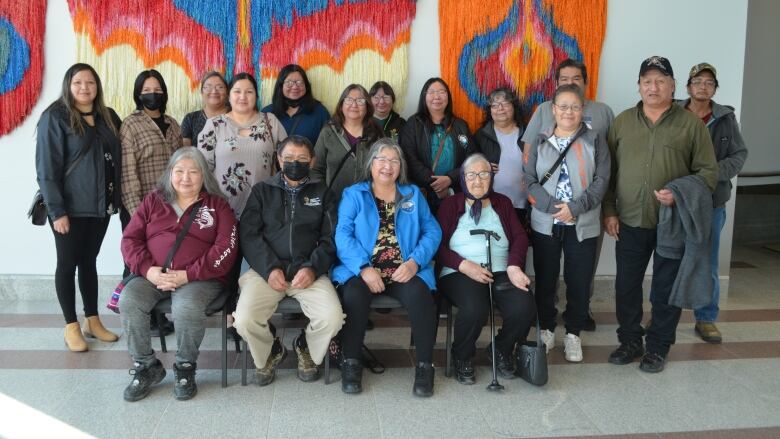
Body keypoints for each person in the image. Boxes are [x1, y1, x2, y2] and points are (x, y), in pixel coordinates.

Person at [604, 56, 717, 373]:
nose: (653, 87)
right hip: (629, 220)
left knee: (665, 289)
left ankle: (657, 347)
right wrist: (609, 211)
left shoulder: (690, 125)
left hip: (672, 223)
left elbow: (708, 173)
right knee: (626, 286)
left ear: (673, 86)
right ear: (639, 86)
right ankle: (629, 341)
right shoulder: (623, 122)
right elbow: (609, 172)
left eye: (660, 81)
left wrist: (679, 194)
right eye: (647, 81)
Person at [119, 147, 238, 402]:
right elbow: (130, 239)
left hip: (200, 278)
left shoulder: (218, 206)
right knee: (129, 300)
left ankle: (185, 367)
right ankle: (146, 366)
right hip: (153, 275)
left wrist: (189, 274)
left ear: (204, 175)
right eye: (179, 171)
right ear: (170, 173)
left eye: (193, 172)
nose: (186, 178)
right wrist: (147, 270)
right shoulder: (154, 200)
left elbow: (226, 248)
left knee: (185, 307)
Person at [333, 139, 442, 396]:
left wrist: (415, 261)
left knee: (421, 297)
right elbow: (342, 235)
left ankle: (425, 366)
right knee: (353, 295)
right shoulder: (354, 194)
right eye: (382, 159)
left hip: (403, 269)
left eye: (394, 160)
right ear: (371, 164)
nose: (387, 166)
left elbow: (432, 230)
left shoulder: (412, 194)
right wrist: (363, 268)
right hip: (362, 270)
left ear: (401, 166)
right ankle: (351, 362)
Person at [233, 135, 344, 385]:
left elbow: (331, 237)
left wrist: (313, 268)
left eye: (302, 159)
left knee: (332, 317)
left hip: (308, 272)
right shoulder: (262, 191)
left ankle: (305, 345)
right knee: (244, 319)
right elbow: (249, 235)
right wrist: (269, 268)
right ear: (279, 160)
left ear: (312, 161)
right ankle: (271, 350)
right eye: (290, 158)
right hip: (266, 272)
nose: (296, 163)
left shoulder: (323, 193)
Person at [522, 59, 615, 331]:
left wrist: (579, 207)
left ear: (585, 86)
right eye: (565, 78)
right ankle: (546, 323)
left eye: (577, 78)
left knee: (581, 273)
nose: (571, 83)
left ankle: (578, 318)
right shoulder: (542, 115)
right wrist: (548, 204)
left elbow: (605, 170)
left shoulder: (603, 114)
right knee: (546, 274)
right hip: (547, 216)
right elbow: (529, 166)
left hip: (584, 213)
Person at [35, 63, 123, 352]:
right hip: (68, 209)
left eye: (90, 83)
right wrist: (56, 211)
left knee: (89, 262)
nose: (85, 88)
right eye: (78, 83)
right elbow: (47, 169)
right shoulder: (55, 117)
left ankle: (92, 320)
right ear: (68, 86)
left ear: (97, 86)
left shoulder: (107, 117)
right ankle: (71, 325)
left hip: (100, 207)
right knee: (67, 263)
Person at [437, 153, 534, 384]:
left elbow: (520, 237)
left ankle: (500, 349)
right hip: (459, 270)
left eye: (483, 174)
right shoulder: (450, 204)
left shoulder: (503, 203)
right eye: (471, 175)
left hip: (502, 269)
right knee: (474, 308)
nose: (477, 180)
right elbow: (437, 246)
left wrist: (513, 266)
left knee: (525, 306)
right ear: (463, 178)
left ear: (491, 178)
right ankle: (462, 355)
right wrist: (464, 265)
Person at [678, 63, 748, 343]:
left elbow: (739, 154)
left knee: (707, 261)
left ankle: (706, 318)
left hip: (710, 202)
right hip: (676, 200)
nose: (703, 86)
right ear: (688, 87)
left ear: (715, 88)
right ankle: (664, 314)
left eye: (709, 82)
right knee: (668, 259)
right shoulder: (674, 114)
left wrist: (710, 175)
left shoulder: (725, 118)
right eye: (697, 81)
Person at [196, 72, 286, 219]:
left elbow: (287, 158)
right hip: (222, 209)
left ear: (256, 96)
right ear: (229, 95)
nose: (243, 97)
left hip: (264, 207)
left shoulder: (271, 122)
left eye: (249, 92)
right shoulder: (214, 125)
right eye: (237, 91)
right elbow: (202, 168)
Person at [400, 77, 476, 213]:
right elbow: (409, 158)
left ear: (448, 96)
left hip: (454, 192)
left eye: (442, 92)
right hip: (423, 194)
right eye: (431, 92)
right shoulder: (413, 124)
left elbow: (472, 158)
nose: (437, 96)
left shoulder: (460, 125)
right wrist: (436, 184)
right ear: (424, 96)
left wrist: (450, 179)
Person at [311, 84, 381, 198]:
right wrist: (324, 195)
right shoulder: (328, 132)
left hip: (367, 203)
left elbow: (383, 169)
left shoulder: (376, 134)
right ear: (341, 105)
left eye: (360, 101)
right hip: (334, 203)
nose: (354, 105)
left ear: (367, 106)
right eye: (349, 100)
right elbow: (315, 169)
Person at [474, 87, 528, 228]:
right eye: (495, 105)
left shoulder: (527, 132)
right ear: (490, 110)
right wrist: (483, 167)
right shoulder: (481, 136)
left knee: (518, 244)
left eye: (505, 103)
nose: (500, 108)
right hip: (490, 203)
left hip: (523, 203)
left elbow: (540, 163)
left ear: (514, 107)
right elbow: (469, 166)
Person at [262, 64, 330, 146]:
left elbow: (328, 145)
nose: (294, 87)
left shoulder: (320, 112)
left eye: (299, 82)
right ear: (281, 86)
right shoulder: (267, 113)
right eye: (289, 82)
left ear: (306, 85)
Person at [180, 71, 229, 146]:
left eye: (220, 87)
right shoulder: (190, 119)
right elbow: (186, 152)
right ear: (202, 92)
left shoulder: (237, 116)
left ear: (227, 92)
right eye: (208, 87)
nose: (214, 91)